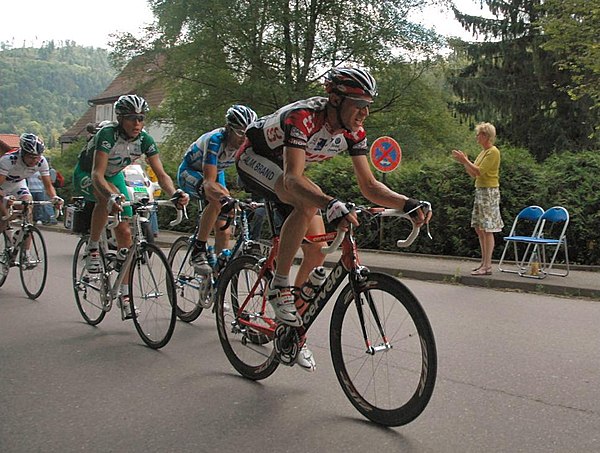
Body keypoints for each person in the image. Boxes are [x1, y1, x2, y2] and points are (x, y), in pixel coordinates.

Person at [236, 67, 431, 371]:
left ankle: (291, 330)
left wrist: (406, 203)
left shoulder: (354, 132)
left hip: (289, 173)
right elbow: (291, 178)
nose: (364, 113)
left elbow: (369, 186)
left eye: (368, 106)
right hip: (255, 161)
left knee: (317, 249)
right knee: (307, 204)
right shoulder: (302, 118)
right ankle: (279, 285)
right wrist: (330, 204)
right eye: (358, 105)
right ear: (335, 100)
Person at [73, 94, 189, 319]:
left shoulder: (145, 139)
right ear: (120, 119)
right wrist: (110, 196)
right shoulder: (107, 135)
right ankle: (93, 247)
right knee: (104, 199)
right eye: (131, 119)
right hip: (89, 174)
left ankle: (125, 296)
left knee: (125, 232)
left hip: (114, 176)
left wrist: (175, 194)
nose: (137, 124)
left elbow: (162, 174)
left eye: (141, 118)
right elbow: (97, 173)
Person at [177, 105, 257, 274]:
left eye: (247, 133)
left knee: (224, 230)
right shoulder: (215, 140)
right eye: (240, 133)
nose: (244, 139)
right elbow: (208, 182)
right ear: (228, 128)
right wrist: (224, 197)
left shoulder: (246, 144)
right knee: (215, 200)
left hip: (216, 172)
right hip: (190, 172)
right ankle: (198, 249)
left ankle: (216, 280)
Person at [452, 122, 504, 276]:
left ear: (486, 136)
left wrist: (465, 161)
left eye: (479, 134)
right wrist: (464, 162)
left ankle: (487, 265)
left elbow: (480, 171)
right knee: (479, 227)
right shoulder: (483, 152)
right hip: (480, 190)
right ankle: (483, 262)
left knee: (488, 229)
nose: (477, 137)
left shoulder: (493, 152)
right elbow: (473, 174)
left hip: (489, 192)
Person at [0, 133, 63, 260]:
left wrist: (55, 198)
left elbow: (48, 186)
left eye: (37, 157)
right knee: (4, 214)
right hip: (3, 185)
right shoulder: (8, 160)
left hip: (18, 184)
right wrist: (6, 200)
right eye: (31, 157)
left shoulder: (41, 161)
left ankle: (26, 254)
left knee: (28, 207)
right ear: (23, 153)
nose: (34, 161)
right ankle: (7, 232)